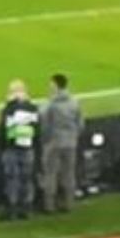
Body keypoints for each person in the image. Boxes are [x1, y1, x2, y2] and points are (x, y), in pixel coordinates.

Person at [38, 74, 84, 214]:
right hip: (70, 142)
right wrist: (74, 136)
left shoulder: (50, 104)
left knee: (50, 174)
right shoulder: (74, 102)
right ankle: (69, 203)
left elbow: (44, 124)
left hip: (53, 142)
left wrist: (45, 140)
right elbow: (80, 123)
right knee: (69, 174)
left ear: (56, 85)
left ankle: (49, 205)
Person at [0, 80, 40, 220]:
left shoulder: (8, 109)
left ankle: (12, 208)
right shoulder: (32, 108)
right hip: (28, 148)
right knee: (26, 178)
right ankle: (26, 207)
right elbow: (37, 129)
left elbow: (2, 130)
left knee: (12, 178)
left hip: (11, 148)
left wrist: (2, 145)